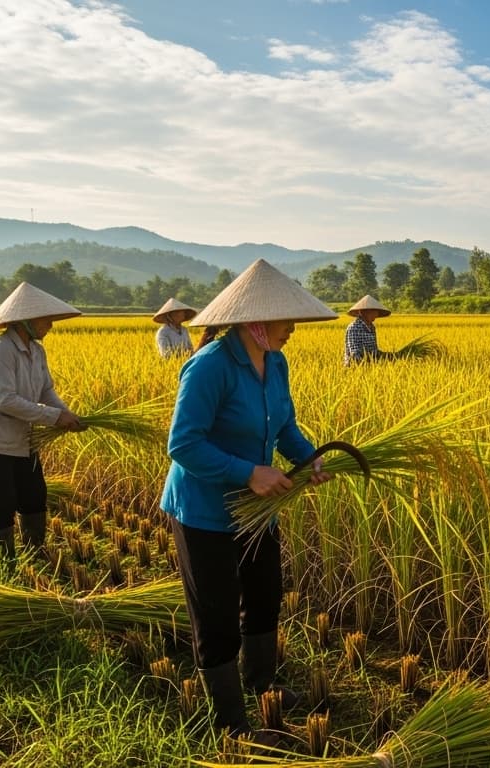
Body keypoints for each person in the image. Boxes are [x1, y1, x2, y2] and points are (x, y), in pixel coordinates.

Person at [161, 258, 337, 737]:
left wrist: (309, 458)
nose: (293, 329)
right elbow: (184, 443)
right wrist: (248, 472)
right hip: (204, 510)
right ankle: (230, 720)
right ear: (255, 321)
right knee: (216, 613)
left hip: (256, 512)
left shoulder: (275, 362)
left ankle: (263, 684)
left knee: (264, 598)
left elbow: (283, 427)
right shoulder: (209, 367)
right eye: (286, 320)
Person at [0, 282, 87, 565]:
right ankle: (5, 564)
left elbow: (45, 391)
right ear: (24, 320)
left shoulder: (37, 352)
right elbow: (5, 400)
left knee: (34, 496)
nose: (51, 324)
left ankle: (34, 554)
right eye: (46, 318)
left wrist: (67, 414)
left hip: (21, 440)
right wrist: (54, 417)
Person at [344, 295, 391, 364]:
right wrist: (367, 364)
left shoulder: (372, 327)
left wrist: (388, 355)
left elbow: (374, 350)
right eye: (373, 312)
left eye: (376, 312)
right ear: (363, 312)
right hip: (355, 366)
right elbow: (354, 353)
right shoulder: (354, 327)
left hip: (372, 363)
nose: (376, 314)